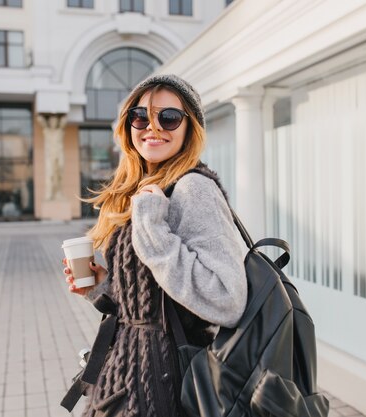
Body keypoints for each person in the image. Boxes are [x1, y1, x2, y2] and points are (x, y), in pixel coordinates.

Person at [62, 74, 247, 417]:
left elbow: (227, 298)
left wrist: (152, 229)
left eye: (169, 117)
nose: (153, 127)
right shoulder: (146, 185)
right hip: (124, 379)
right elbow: (150, 307)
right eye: (140, 116)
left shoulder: (193, 189)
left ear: (190, 128)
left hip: (165, 388)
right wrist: (102, 286)